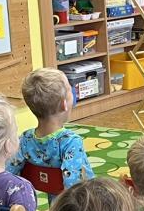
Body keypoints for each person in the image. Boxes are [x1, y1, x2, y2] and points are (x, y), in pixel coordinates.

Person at [7, 67, 93, 196]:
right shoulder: (71, 142)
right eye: (69, 89)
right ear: (64, 104)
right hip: (82, 203)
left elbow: (9, 172)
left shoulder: (25, 139)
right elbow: (74, 186)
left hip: (54, 203)